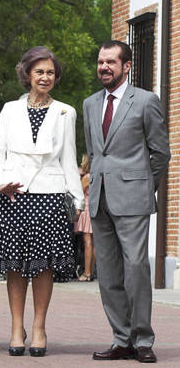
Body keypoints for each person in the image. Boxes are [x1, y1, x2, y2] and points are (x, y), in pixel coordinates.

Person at [0, 46, 84, 357]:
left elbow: (69, 157)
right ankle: (17, 327)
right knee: (15, 266)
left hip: (51, 196)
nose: (45, 77)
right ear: (27, 74)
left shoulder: (66, 112)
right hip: (14, 195)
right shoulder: (9, 109)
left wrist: (77, 200)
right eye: (39, 71)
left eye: (50, 72)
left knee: (44, 267)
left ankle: (39, 327)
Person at [84, 40, 170, 363]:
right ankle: (122, 339)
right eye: (100, 62)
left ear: (127, 66)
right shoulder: (90, 103)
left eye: (110, 62)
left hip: (133, 198)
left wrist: (142, 185)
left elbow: (161, 153)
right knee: (107, 274)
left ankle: (143, 339)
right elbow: (95, 152)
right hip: (100, 200)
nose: (104, 67)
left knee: (135, 269)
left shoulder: (146, 101)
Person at [75, 154, 94, 281]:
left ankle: (86, 273)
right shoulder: (95, 176)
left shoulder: (86, 178)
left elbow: (79, 192)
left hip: (87, 209)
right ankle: (91, 271)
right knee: (94, 243)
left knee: (87, 241)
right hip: (94, 208)